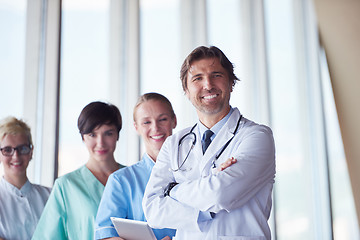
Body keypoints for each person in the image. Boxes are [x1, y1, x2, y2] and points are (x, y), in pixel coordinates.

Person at [142, 46, 276, 240]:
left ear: (231, 83)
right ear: (186, 91)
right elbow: (152, 209)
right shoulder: (174, 144)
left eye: (216, 75)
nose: (208, 85)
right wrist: (211, 187)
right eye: (197, 78)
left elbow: (220, 194)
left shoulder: (256, 136)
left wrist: (173, 190)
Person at [32, 101, 125, 240]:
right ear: (83, 137)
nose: (100, 143)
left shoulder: (133, 178)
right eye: (92, 135)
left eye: (108, 133)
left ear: (117, 135)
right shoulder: (66, 186)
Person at [94, 93, 177, 240]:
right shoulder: (121, 181)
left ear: (174, 121)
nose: (155, 128)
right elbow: (105, 235)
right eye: (146, 122)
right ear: (136, 127)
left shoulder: (195, 173)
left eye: (162, 119)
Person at [0, 116, 51, 240]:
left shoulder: (50, 195)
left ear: (31, 151)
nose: (16, 156)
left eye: (22, 148)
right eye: (8, 150)